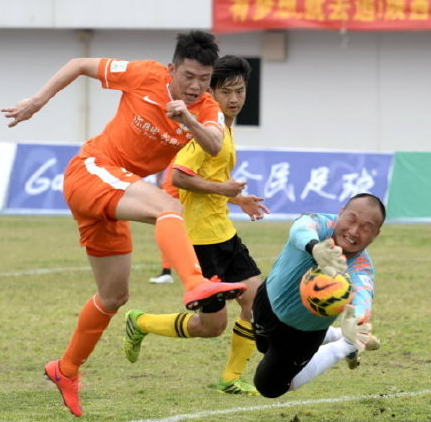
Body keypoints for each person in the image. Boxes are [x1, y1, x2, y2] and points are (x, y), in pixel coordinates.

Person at [1, 31, 248, 417]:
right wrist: (37, 101)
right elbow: (79, 65)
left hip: (115, 194)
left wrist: (188, 118)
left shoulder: (206, 110)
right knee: (167, 206)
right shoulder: (143, 74)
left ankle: (65, 370)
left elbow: (215, 143)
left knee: (114, 296)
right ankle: (194, 282)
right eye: (189, 76)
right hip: (91, 171)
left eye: (204, 79)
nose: (197, 86)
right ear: (171, 69)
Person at [123, 55, 269, 395]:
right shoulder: (201, 133)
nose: (234, 99)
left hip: (224, 235)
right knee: (211, 326)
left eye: (240, 90)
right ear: (210, 94)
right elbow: (179, 177)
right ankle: (141, 322)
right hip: (200, 242)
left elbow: (213, 178)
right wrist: (223, 189)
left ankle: (231, 378)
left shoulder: (226, 129)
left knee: (254, 300)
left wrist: (237, 199)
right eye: (226, 92)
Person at [251, 193, 384, 398]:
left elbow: (363, 299)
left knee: (269, 386)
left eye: (367, 228)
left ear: (376, 235)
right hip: (266, 301)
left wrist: (356, 322)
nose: (354, 231)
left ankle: (345, 344)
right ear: (341, 212)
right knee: (263, 347)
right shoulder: (321, 224)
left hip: (303, 336)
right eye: (351, 219)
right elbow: (299, 229)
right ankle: (335, 334)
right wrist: (315, 248)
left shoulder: (361, 268)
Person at [148, 164, 179, 284]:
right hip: (189, 178)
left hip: (177, 179)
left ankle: (166, 271)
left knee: (167, 225)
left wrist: (158, 179)